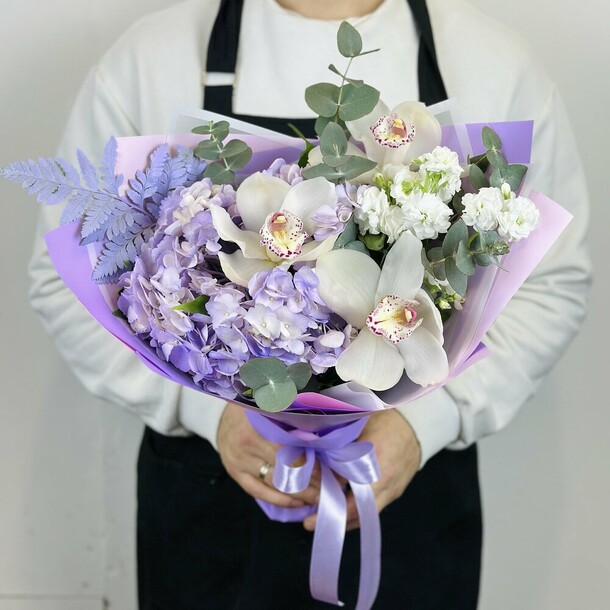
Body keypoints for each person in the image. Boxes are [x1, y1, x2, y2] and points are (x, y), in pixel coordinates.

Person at [29, 0, 591, 608]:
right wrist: (204, 414)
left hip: (408, 492)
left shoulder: (495, 65)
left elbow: (552, 281)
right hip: (210, 500)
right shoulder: (149, 61)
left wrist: (427, 422)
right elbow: (70, 280)